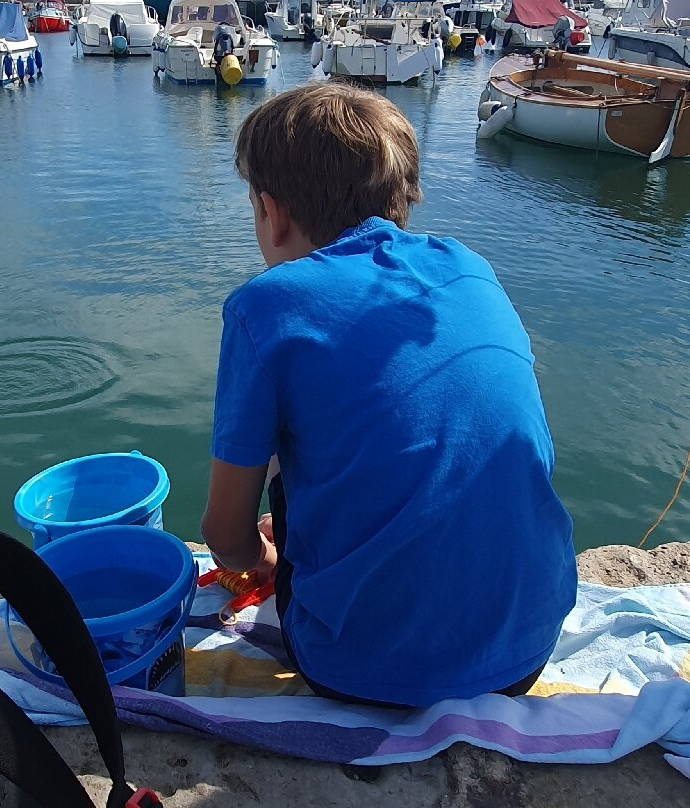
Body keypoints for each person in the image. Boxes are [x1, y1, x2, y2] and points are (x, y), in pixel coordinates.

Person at [200, 83, 577, 708]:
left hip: (355, 668)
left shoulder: (264, 307)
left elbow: (223, 534)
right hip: (526, 648)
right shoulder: (470, 266)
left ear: (273, 212)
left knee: (283, 445)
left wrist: (260, 556)